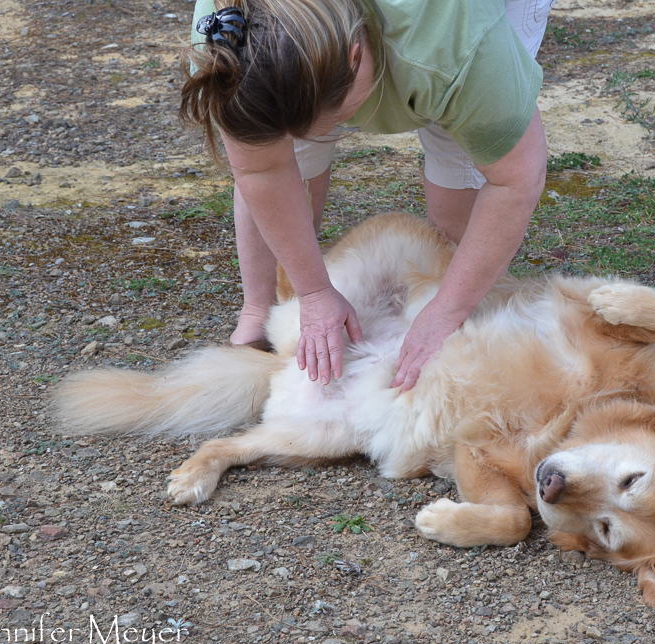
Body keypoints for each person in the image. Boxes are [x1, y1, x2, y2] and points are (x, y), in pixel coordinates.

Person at [181, 0, 553, 391]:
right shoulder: (229, 41)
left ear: (356, 56)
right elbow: (261, 169)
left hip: (446, 31)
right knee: (282, 148)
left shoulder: (453, 50)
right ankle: (258, 310)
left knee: (459, 181)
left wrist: (447, 310)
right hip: (329, 55)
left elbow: (515, 179)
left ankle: (450, 314)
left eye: (336, 119)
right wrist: (314, 293)